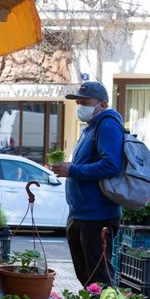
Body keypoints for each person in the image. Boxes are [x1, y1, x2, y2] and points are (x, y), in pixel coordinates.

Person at [51, 80, 124, 286]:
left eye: (85, 102)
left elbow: (111, 165)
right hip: (80, 213)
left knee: (98, 276)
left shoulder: (108, 125)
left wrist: (72, 170)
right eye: (78, 102)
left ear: (102, 105)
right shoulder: (90, 128)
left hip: (98, 215)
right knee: (86, 276)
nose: (80, 107)